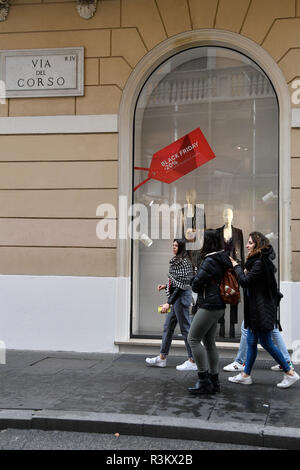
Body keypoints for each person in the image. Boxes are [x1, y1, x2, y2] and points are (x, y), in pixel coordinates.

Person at [228, 232, 299, 388]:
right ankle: (246, 375)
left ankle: (290, 372)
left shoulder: (259, 263)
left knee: (267, 343)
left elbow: (245, 282)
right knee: (252, 342)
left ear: (257, 245)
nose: (247, 245)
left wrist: (237, 267)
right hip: (257, 310)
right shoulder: (257, 262)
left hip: (261, 311)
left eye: (250, 243)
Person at [187, 229, 232, 394]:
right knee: (209, 342)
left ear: (207, 242)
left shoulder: (209, 260)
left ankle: (203, 380)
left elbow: (197, 285)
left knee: (193, 339)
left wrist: (194, 278)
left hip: (209, 305)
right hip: (219, 305)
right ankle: (215, 381)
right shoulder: (222, 257)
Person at [145, 239, 197, 371]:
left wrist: (168, 303)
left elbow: (181, 286)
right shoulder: (177, 260)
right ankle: (162, 358)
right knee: (168, 327)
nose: (173, 247)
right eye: (173, 245)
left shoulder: (185, 262)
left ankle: (193, 360)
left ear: (181, 247)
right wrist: (166, 286)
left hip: (181, 298)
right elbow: (176, 281)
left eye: (176, 245)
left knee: (186, 329)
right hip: (176, 299)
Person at [223, 320, 294, 372]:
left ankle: (240, 362)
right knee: (273, 328)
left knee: (246, 327)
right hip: (269, 304)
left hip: (260, 304)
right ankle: (286, 362)